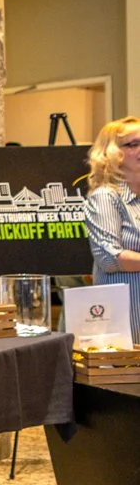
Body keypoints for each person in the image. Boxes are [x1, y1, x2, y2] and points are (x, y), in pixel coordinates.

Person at [84, 115, 140, 343]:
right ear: (112, 153)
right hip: (126, 324)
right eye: (133, 144)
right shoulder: (106, 197)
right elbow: (109, 258)